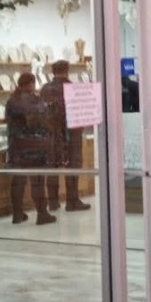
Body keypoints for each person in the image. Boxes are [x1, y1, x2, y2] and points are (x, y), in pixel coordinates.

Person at [41, 60, 92, 212]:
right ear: (67, 70)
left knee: (52, 166)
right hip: (71, 133)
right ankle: (72, 201)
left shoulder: (45, 89)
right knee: (73, 165)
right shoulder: (73, 88)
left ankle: (53, 201)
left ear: (53, 71)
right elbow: (80, 112)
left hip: (50, 134)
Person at [5, 72, 55, 225]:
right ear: (31, 83)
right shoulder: (37, 101)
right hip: (35, 146)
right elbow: (44, 120)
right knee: (37, 181)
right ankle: (42, 213)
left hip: (17, 146)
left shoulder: (12, 101)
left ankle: (17, 214)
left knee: (18, 180)